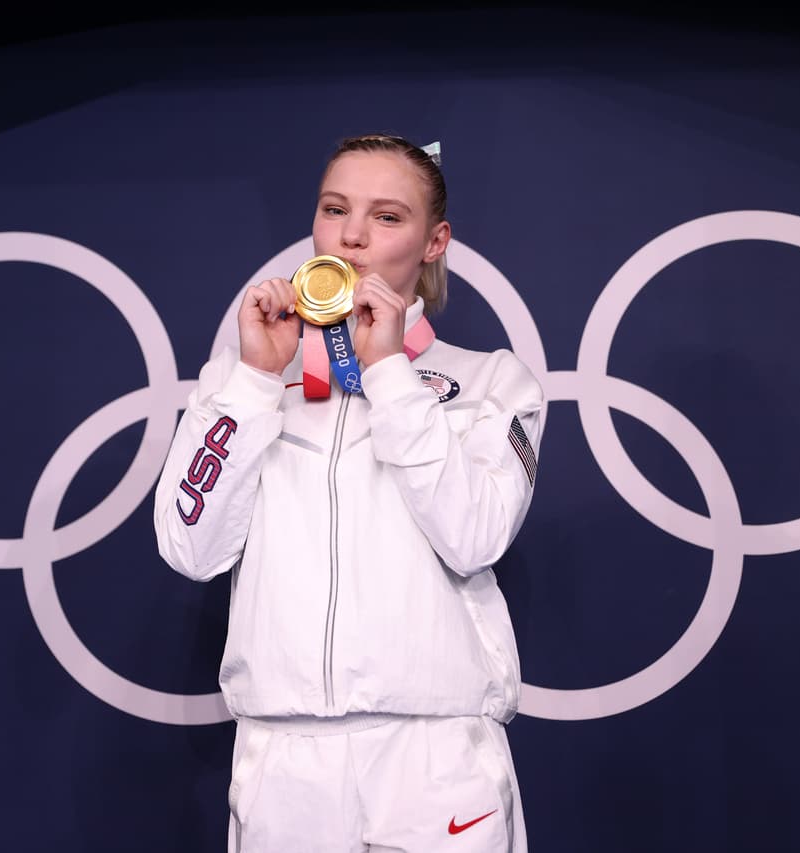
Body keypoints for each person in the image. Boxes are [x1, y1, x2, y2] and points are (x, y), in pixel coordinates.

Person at [154, 133, 544, 853]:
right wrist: (250, 383)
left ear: (435, 241)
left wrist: (391, 373)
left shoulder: (493, 382)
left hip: (435, 756)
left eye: (388, 217)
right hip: (283, 756)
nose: (354, 235)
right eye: (335, 209)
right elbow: (189, 546)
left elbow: (476, 534)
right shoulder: (243, 379)